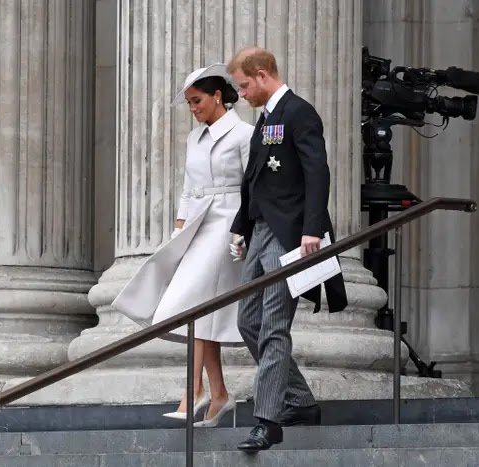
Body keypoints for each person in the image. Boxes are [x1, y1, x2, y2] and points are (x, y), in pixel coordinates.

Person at [112, 64, 254, 427]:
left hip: (228, 225)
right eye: (189, 102)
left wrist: (245, 230)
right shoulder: (194, 139)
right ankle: (217, 393)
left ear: (218, 96)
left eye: (197, 100)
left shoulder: (243, 134)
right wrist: (179, 228)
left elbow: (253, 187)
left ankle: (194, 391)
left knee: (190, 305)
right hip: (197, 226)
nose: (192, 108)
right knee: (201, 312)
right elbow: (189, 189)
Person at [227, 47, 348, 451]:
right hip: (260, 231)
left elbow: (317, 172)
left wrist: (312, 228)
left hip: (290, 234)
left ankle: (268, 420)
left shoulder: (299, 112)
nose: (241, 94)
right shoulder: (265, 119)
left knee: (274, 326)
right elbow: (253, 180)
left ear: (262, 74)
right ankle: (300, 402)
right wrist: (240, 227)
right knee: (248, 321)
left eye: (244, 85)